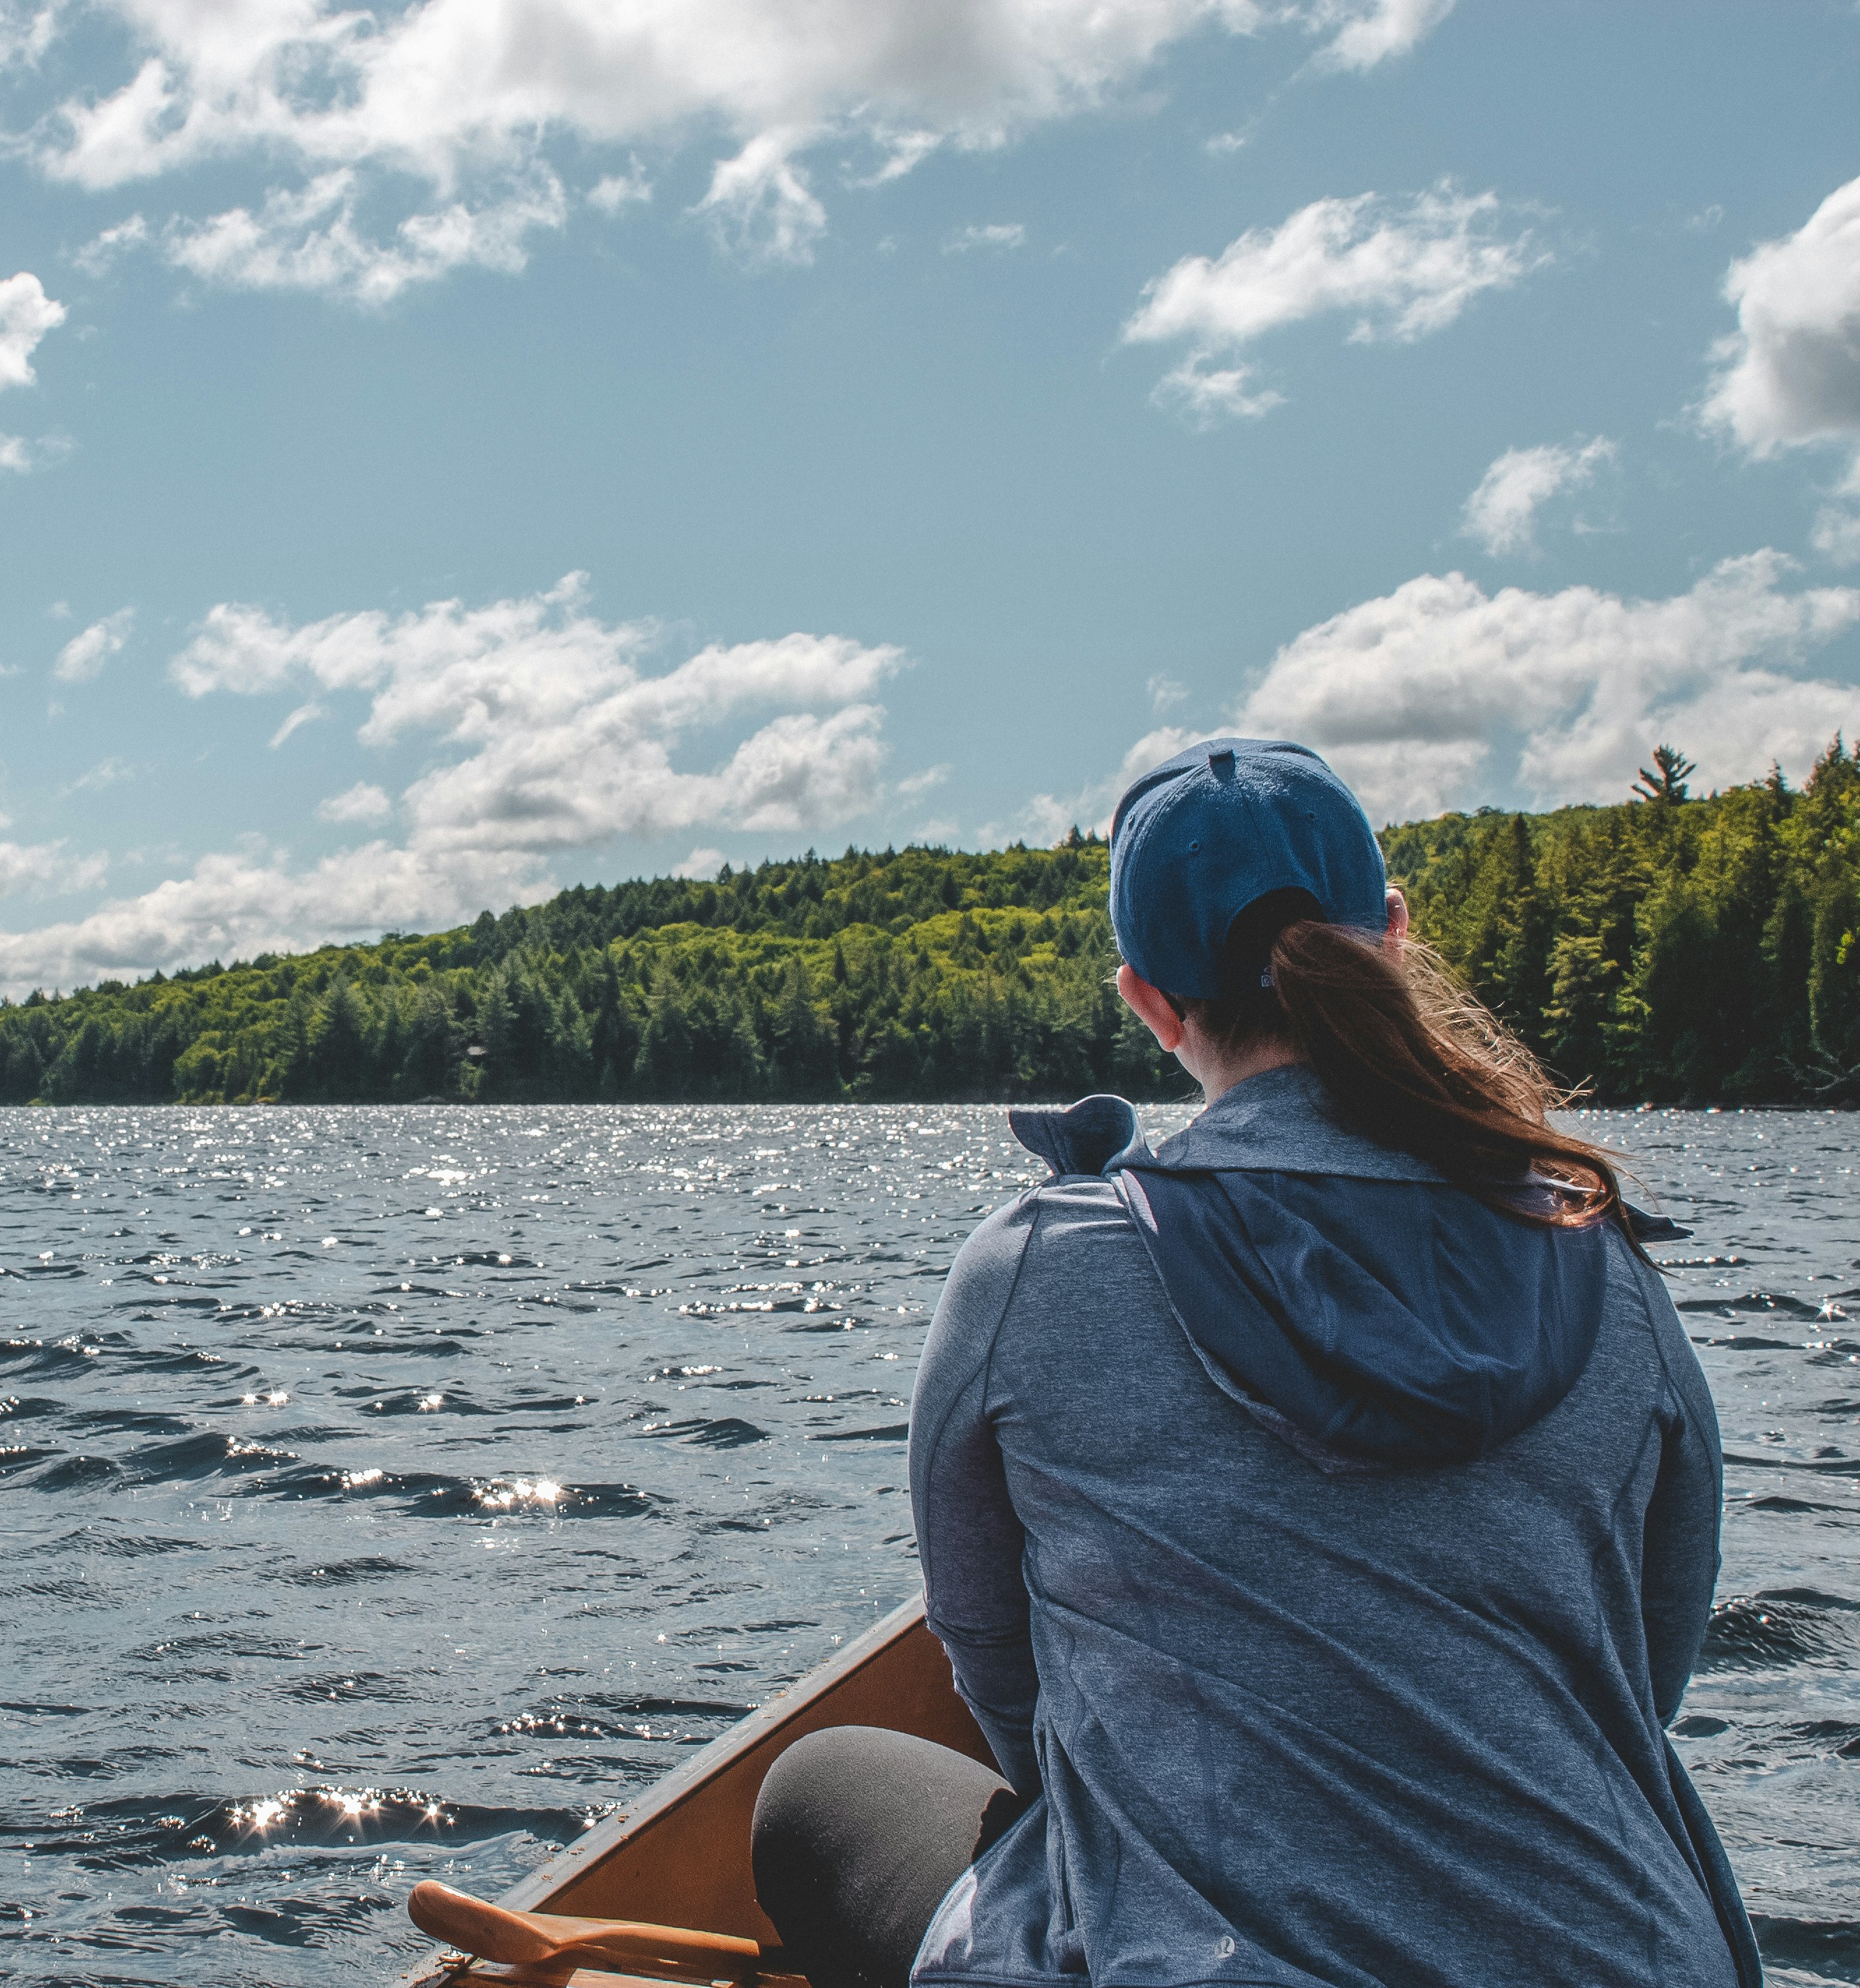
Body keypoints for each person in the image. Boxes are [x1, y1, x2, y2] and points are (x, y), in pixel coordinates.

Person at [751, 737, 1757, 1988]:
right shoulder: (1600, 1252)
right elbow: (1648, 1668)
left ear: (1149, 1001)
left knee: (821, 1785)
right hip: (1629, 1956)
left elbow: (992, 1658)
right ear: (1390, 936)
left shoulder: (1037, 1269)